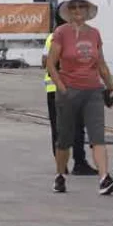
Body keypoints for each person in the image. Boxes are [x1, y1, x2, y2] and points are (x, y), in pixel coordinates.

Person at [45, 0, 113, 195]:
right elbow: (51, 64)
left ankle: (104, 178)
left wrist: (111, 86)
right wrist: (61, 88)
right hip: (69, 91)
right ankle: (60, 175)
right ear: (68, 12)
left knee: (97, 136)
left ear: (88, 11)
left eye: (82, 7)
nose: (78, 10)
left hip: (93, 91)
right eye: (74, 7)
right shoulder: (60, 33)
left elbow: (101, 63)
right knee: (65, 139)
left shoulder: (95, 34)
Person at [43, 16, 97, 175]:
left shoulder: (51, 36)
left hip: (53, 89)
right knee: (77, 127)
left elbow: (44, 61)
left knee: (58, 128)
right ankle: (79, 162)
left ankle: (61, 166)